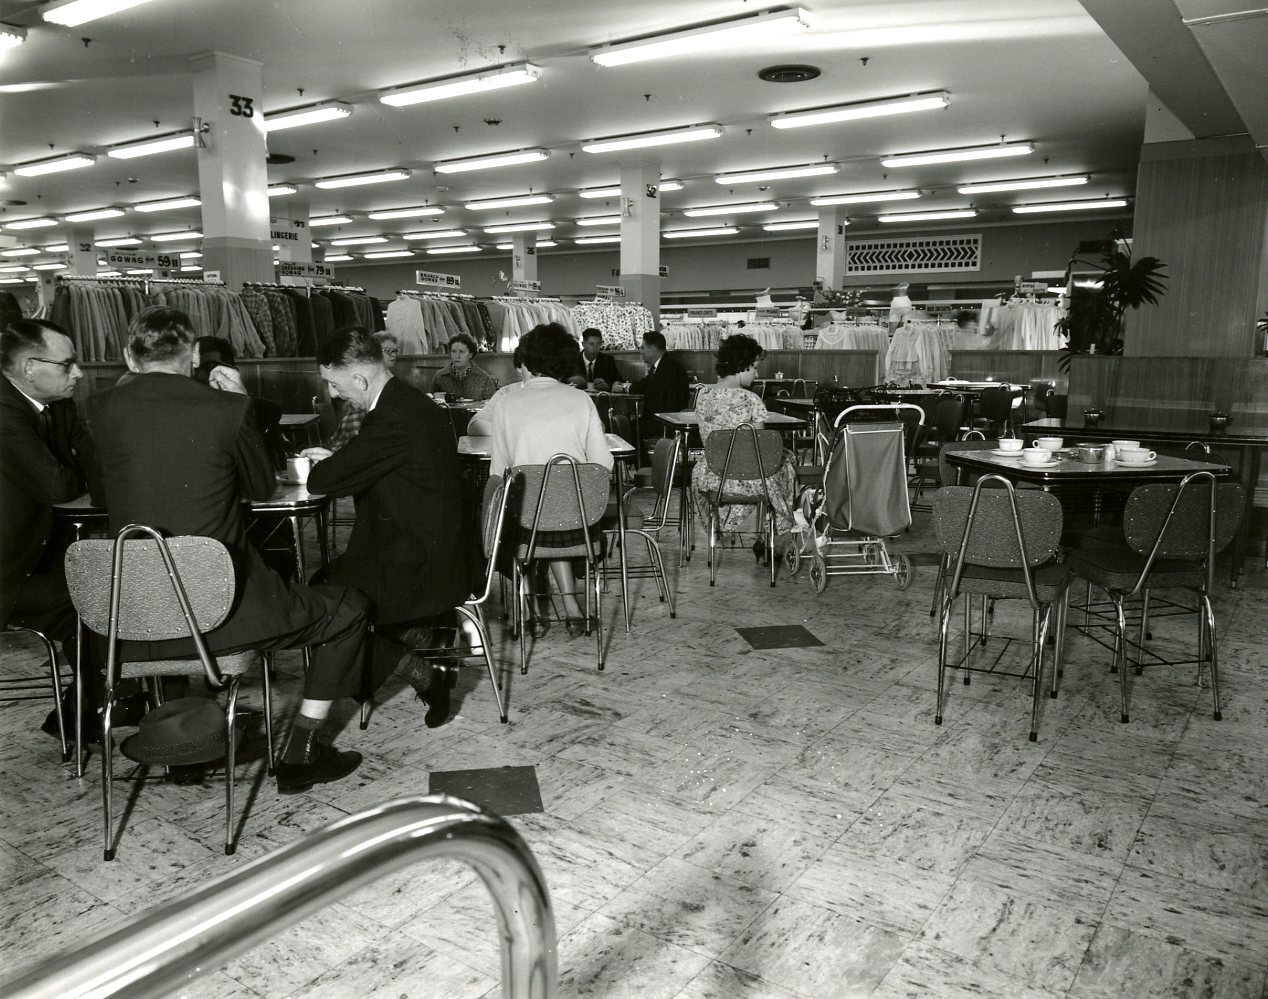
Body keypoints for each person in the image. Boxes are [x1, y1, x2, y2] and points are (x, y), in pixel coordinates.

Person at [87, 306, 370, 795]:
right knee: (349, 610)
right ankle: (302, 750)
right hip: (224, 606)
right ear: (194, 355)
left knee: (166, 596)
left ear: (130, 360)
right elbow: (263, 487)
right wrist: (241, 401)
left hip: (128, 615)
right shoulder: (226, 409)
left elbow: (99, 494)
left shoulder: (95, 409)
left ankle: (184, 750)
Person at [302, 327, 470, 727]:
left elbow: (320, 481)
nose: (335, 394)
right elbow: (383, 460)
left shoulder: (391, 415)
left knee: (322, 604)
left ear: (359, 379)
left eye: (334, 384)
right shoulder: (404, 402)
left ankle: (420, 669)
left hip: (421, 563)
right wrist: (343, 458)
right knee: (327, 590)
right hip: (424, 544)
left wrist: (332, 463)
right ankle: (412, 645)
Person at [0, 319, 124, 737]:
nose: (79, 373)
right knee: (92, 596)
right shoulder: (3, 412)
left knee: (96, 586)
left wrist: (74, 465)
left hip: (27, 555)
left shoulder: (57, 405)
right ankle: (91, 710)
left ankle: (90, 706)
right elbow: (58, 484)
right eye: (68, 364)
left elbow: (90, 460)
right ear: (29, 368)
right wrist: (71, 471)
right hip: (7, 571)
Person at [488, 323, 612, 638]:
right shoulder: (580, 400)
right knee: (557, 503)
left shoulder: (506, 403)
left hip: (526, 527)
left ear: (527, 361)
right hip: (578, 525)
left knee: (517, 509)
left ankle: (527, 609)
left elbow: (499, 471)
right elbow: (602, 464)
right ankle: (572, 607)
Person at [691, 334, 797, 555]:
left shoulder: (702, 394)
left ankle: (726, 527)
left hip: (712, 476)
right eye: (755, 368)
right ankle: (776, 532)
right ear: (743, 365)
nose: (757, 374)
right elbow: (760, 448)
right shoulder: (749, 399)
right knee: (788, 462)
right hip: (747, 477)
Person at [328, 331, 399, 450]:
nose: (393, 355)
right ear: (374, 353)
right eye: (388, 351)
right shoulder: (362, 381)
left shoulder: (390, 380)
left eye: (395, 351)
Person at [617, 330, 690, 440]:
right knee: (625, 426)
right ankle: (640, 457)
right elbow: (645, 383)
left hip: (666, 421)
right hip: (658, 418)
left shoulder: (670, 367)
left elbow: (648, 386)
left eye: (643, 348)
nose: (641, 351)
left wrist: (624, 387)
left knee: (625, 429)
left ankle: (640, 457)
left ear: (653, 348)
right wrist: (624, 386)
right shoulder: (661, 365)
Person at [431, 332, 496, 401]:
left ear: (470, 354)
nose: (457, 356)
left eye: (461, 352)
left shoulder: (483, 378)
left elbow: (493, 406)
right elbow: (431, 403)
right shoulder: (440, 376)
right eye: (453, 351)